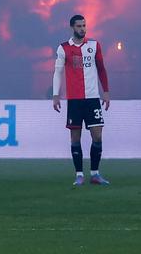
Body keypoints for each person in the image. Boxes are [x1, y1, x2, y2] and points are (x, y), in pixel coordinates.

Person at [52, 14, 110, 186]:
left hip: (92, 98)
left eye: (84, 25)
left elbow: (101, 69)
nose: (82, 29)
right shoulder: (63, 48)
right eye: (79, 26)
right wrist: (56, 95)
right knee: (75, 138)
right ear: (72, 28)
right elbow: (58, 72)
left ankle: (95, 173)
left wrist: (105, 91)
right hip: (75, 100)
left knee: (97, 136)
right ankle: (79, 174)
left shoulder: (94, 45)